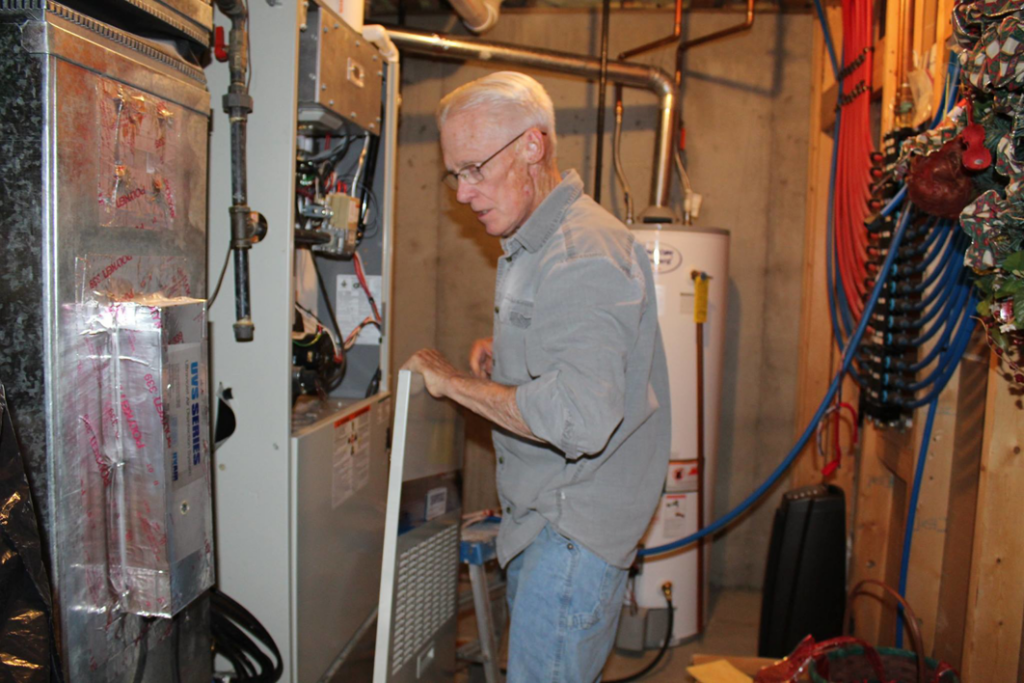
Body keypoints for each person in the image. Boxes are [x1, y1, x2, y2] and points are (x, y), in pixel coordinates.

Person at [402, 71, 670, 683]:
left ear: (533, 146)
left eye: (475, 169)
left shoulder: (581, 253)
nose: (464, 193)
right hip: (549, 519)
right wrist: (512, 351)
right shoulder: (538, 241)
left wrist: (455, 385)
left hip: (570, 531)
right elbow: (585, 347)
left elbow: (580, 416)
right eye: (455, 175)